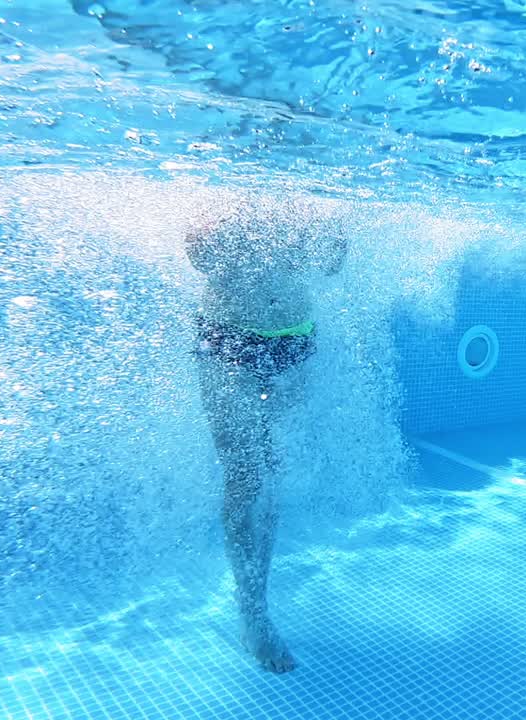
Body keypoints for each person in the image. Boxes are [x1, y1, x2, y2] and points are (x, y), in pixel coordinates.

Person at [185, 192, 346, 673]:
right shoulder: (224, 191)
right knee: (245, 477)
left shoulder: (311, 196)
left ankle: (259, 592)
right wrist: (217, 222)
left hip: (293, 345)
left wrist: (331, 229)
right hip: (227, 341)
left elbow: (333, 265)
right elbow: (198, 257)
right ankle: (252, 612)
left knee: (269, 475)